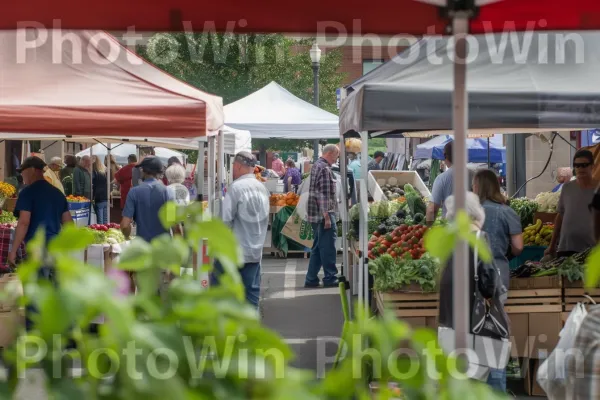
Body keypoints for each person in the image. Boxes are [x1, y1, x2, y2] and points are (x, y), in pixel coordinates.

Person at [438, 192, 508, 393]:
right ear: (477, 213)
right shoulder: (479, 239)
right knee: (491, 385)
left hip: (451, 326)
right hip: (480, 326)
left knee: (458, 386)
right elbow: (489, 284)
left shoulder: (446, 243)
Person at [212, 152, 270, 308]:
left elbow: (225, 220)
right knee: (251, 298)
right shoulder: (262, 188)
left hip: (234, 251)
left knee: (220, 294)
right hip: (255, 249)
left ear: (237, 166)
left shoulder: (236, 188)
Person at [9, 156, 72, 265]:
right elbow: (69, 223)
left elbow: (24, 222)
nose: (22, 175)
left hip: (36, 247)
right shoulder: (58, 193)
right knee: (53, 281)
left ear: (32, 170)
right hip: (55, 247)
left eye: (22, 171)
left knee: (38, 281)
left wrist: (13, 251)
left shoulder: (27, 193)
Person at [473, 169, 523, 289]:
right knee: (497, 307)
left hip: (470, 272)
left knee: (472, 307)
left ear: (476, 187)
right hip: (498, 272)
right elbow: (518, 247)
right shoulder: (508, 212)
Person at [546, 150, 596, 258]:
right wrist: (552, 245)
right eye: (577, 166)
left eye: (584, 165)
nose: (580, 169)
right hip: (566, 248)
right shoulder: (567, 188)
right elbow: (560, 216)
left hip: (592, 250)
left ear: (592, 166)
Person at [305, 144, 340, 288]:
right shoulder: (325, 169)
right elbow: (323, 194)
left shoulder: (316, 166)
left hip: (314, 213)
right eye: (336, 156)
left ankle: (311, 278)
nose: (336, 159)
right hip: (323, 214)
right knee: (328, 247)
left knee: (319, 247)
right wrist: (326, 216)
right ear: (330, 153)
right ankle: (330, 277)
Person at [121, 156, 173, 243]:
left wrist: (126, 236)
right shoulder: (168, 192)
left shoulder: (134, 192)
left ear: (143, 171)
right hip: (164, 248)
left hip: (143, 248)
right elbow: (175, 226)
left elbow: (125, 225)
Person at [426, 141, 474, 224]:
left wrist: (428, 230)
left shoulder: (441, 179)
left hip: (449, 230)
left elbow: (431, 210)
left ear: (445, 155)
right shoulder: (474, 175)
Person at [92, 156, 108, 224]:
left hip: (98, 198)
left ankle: (101, 234)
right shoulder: (103, 173)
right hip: (105, 197)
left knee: (100, 221)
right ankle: (107, 233)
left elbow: (93, 185)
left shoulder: (94, 173)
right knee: (105, 220)